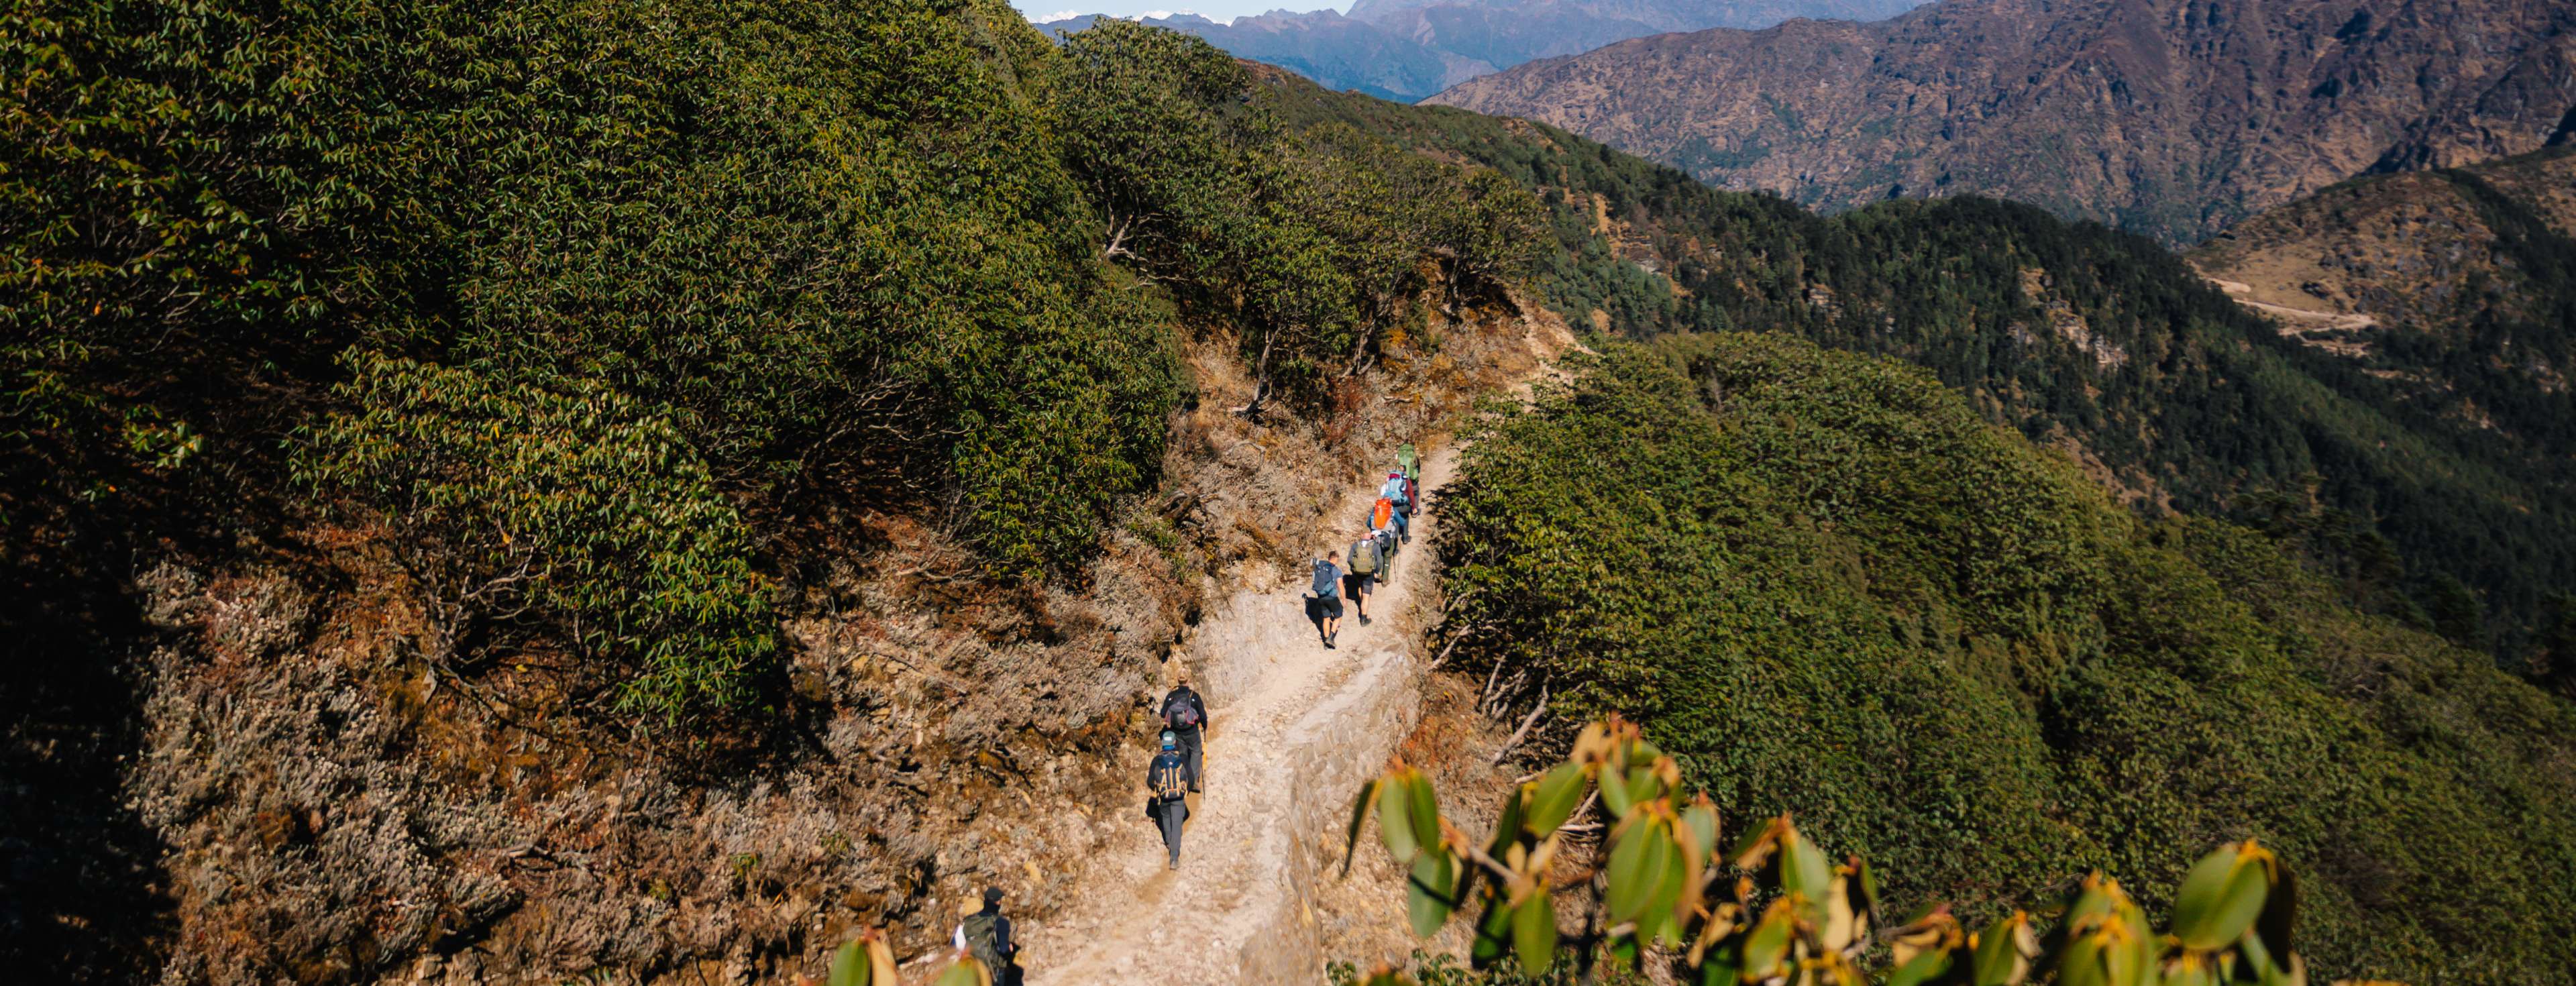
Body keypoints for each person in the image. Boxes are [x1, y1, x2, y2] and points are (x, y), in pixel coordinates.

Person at [1146, 730, 1191, 869]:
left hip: (1164, 797)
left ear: (1163, 744)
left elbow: (1149, 781)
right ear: (1174, 743)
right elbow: (1190, 776)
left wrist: (1159, 789)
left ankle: (1168, 842)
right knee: (1177, 825)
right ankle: (1174, 858)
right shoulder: (1182, 757)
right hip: (1178, 797)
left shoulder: (1157, 760)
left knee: (1166, 818)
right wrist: (1186, 791)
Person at [954, 886, 1018, 981]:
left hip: (972, 970)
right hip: (993, 971)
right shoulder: (1001, 922)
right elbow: (1003, 950)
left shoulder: (969, 920)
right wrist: (1010, 948)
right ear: (998, 903)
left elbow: (958, 947)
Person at [1161, 673, 1209, 793]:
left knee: (1183, 754)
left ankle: (1182, 779)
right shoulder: (1194, 696)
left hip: (1177, 732)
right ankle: (1192, 782)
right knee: (1196, 752)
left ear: (1178, 680)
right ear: (1189, 680)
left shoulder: (1171, 696)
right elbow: (1202, 715)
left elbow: (1163, 713)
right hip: (1192, 731)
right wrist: (1205, 725)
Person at [1342, 527, 1382, 626]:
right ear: (1370, 535)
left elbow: (1349, 559)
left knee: (1360, 586)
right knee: (1367, 595)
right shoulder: (1375, 546)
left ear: (1362, 535)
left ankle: (1362, 604)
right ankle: (1364, 618)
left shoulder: (1356, 545)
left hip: (1357, 573)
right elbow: (1380, 561)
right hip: (1369, 574)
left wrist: (1354, 568)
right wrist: (1376, 571)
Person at [1305, 549, 1344, 648]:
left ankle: (1325, 642)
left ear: (1329, 558)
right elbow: (1340, 586)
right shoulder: (1336, 570)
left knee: (1326, 619)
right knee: (1338, 616)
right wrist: (1344, 598)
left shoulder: (1321, 567)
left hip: (1321, 597)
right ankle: (1331, 638)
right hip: (1331, 597)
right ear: (1335, 559)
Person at [1380, 470, 1411, 541]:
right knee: (1405, 518)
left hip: (1391, 505)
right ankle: (1405, 538)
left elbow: (1382, 495)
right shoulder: (1404, 481)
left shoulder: (1387, 484)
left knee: (1395, 521)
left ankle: (1396, 539)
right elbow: (1409, 493)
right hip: (1402, 505)